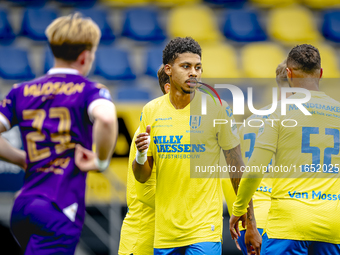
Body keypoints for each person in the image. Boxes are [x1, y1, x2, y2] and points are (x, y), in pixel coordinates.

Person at [0, 13, 118, 254]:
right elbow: (106, 118)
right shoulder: (89, 91)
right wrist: (101, 161)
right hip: (58, 208)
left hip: (22, 207)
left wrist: (21, 158)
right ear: (86, 56)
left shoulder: (20, 91)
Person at [133, 37, 260, 255]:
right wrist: (141, 155)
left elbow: (237, 167)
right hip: (165, 233)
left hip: (205, 230)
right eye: (186, 67)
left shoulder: (218, 107)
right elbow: (143, 176)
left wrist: (251, 223)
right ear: (168, 69)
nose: (194, 73)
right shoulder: (151, 110)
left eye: (198, 67)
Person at [230, 44, 340, 254]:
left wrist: (239, 208)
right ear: (322, 73)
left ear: (288, 73)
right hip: (333, 223)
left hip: (290, 222)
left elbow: (254, 169)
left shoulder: (280, 113)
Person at [236, 59, 292, 255]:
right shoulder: (304, 122)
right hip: (286, 222)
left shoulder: (249, 122)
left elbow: (237, 175)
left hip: (251, 221)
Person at [118, 65, 170, 255]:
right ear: (169, 88)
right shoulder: (150, 130)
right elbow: (146, 192)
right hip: (143, 240)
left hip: (166, 238)